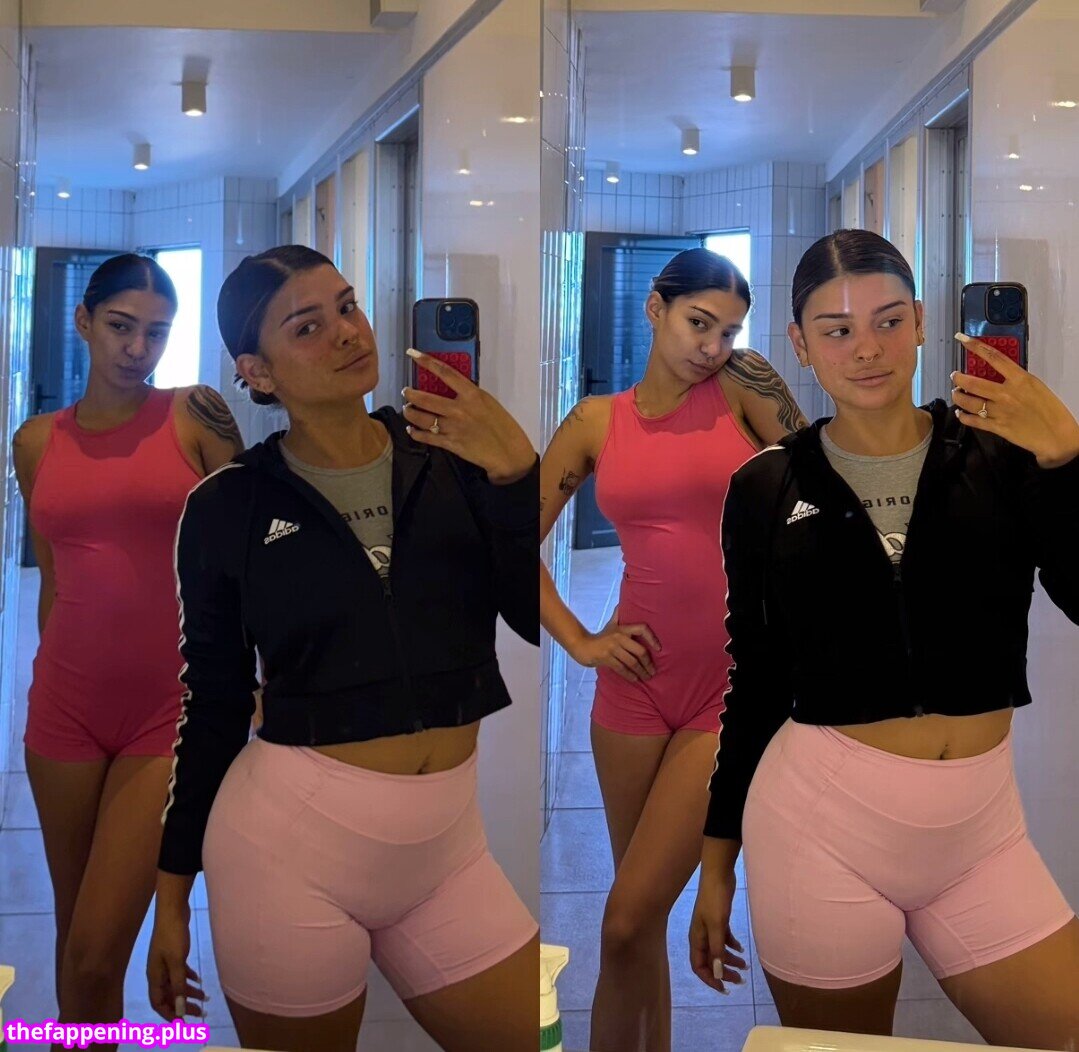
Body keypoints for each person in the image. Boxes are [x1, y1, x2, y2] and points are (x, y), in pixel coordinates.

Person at [690, 229, 1079, 1046]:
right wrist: (717, 860)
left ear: (922, 323)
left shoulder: (1000, 458)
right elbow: (754, 678)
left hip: (981, 835)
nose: (866, 349)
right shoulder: (766, 486)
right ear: (799, 344)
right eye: (835, 330)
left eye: (888, 321)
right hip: (818, 832)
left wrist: (1065, 461)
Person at [146, 246, 540, 1052]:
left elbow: (528, 618)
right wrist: (173, 894)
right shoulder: (229, 506)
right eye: (308, 326)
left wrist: (516, 478)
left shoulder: (449, 456)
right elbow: (214, 704)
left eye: (348, 306)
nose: (347, 333)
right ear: (257, 372)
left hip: (447, 853)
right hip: (288, 854)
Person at [540, 248, 807, 1051]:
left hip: (727, 690)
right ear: (654, 308)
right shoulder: (596, 421)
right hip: (631, 687)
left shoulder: (742, 390)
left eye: (728, 331)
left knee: (623, 920)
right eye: (698, 323)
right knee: (639, 915)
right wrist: (580, 641)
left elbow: (823, 490)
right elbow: (506, 542)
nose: (712, 346)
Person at [11, 253, 243, 1048]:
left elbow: (250, 555)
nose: (138, 348)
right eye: (120, 326)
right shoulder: (35, 441)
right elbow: (53, 577)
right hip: (63, 708)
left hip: (168, 710)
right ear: (83, 322)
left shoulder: (196, 414)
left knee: (92, 949)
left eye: (155, 332)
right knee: (77, 939)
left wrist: (252, 680)